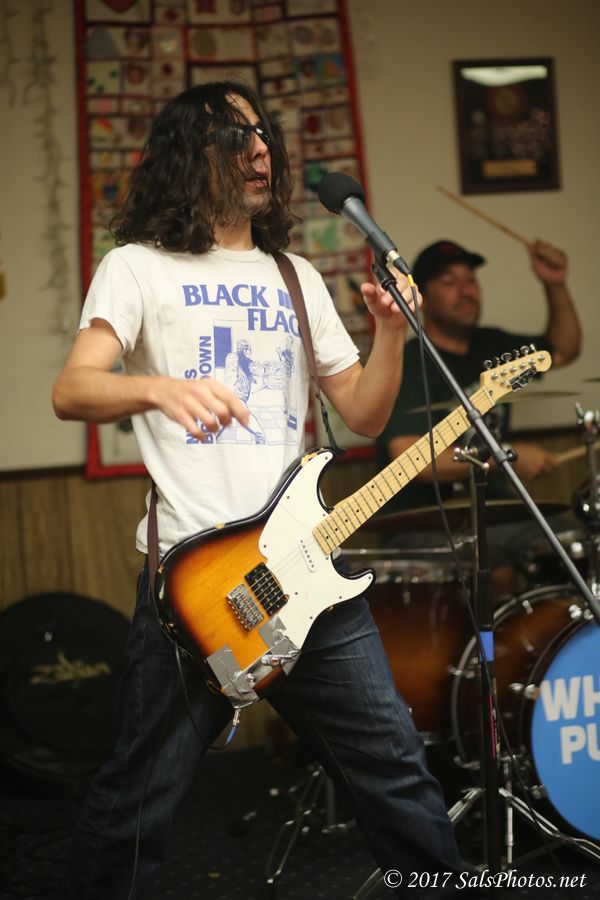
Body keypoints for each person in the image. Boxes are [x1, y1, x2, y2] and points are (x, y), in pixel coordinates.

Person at [52, 83, 479, 899]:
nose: (259, 151)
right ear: (190, 153)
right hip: (194, 585)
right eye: (235, 136)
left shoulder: (295, 276)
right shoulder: (136, 267)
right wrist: (159, 388)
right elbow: (73, 390)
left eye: (263, 135)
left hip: (306, 575)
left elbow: (362, 415)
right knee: (137, 803)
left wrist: (392, 333)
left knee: (396, 772)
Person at [376, 238, 581, 595]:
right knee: (495, 569)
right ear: (423, 296)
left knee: (573, 543)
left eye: (470, 280)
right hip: (423, 524)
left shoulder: (494, 347)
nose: (465, 291)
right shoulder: (409, 362)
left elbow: (563, 350)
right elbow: (412, 460)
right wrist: (501, 458)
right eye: (449, 282)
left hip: (492, 511)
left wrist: (556, 284)